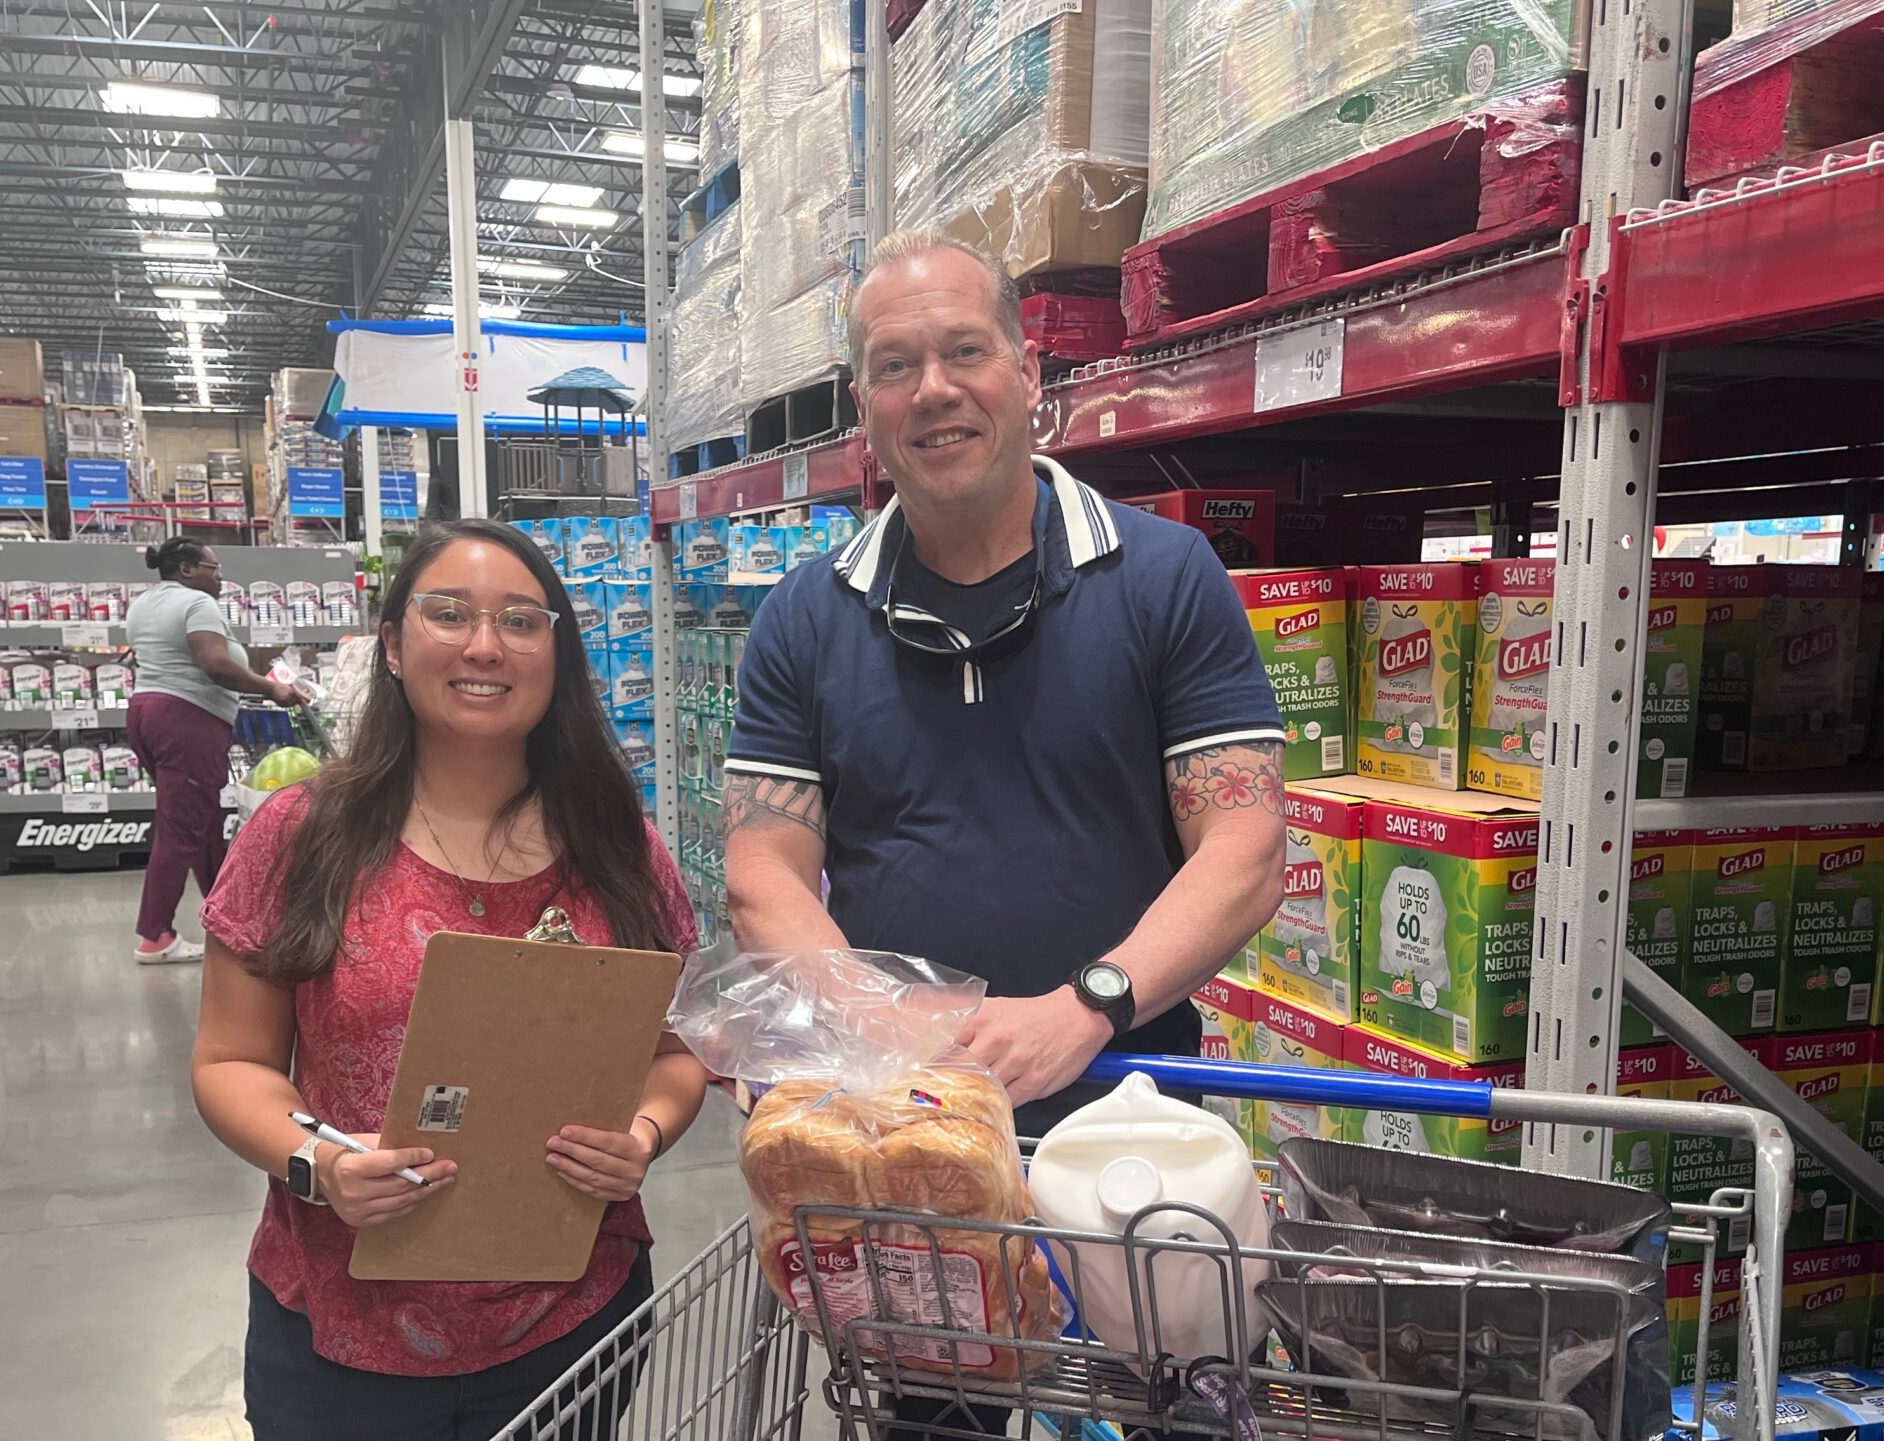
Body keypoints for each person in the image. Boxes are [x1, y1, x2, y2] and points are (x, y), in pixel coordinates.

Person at [722, 229, 1287, 1130]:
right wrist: (881, 1022)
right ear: (864, 405)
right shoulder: (805, 617)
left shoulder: (1165, 576)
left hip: (1125, 1118)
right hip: (890, 1115)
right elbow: (763, 873)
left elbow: (1245, 851)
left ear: (1027, 374)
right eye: (896, 366)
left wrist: (1087, 1004)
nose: (934, 390)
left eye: (965, 351)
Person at [190, 518, 709, 1440]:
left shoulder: (617, 841)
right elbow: (231, 1062)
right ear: (392, 644)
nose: (484, 645)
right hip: (342, 1338)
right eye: (449, 614)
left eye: (520, 619)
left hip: (575, 1325)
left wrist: (644, 1131)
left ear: (556, 651)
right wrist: (321, 1165)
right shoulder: (303, 833)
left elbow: (675, 1053)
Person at [125, 538, 300, 963]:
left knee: (200, 822)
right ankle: (156, 936)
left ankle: (224, 913)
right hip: (186, 720)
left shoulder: (142, 604)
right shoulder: (196, 604)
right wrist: (273, 688)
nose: (219, 577)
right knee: (180, 829)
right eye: (213, 568)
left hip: (146, 712)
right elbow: (216, 664)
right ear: (187, 569)